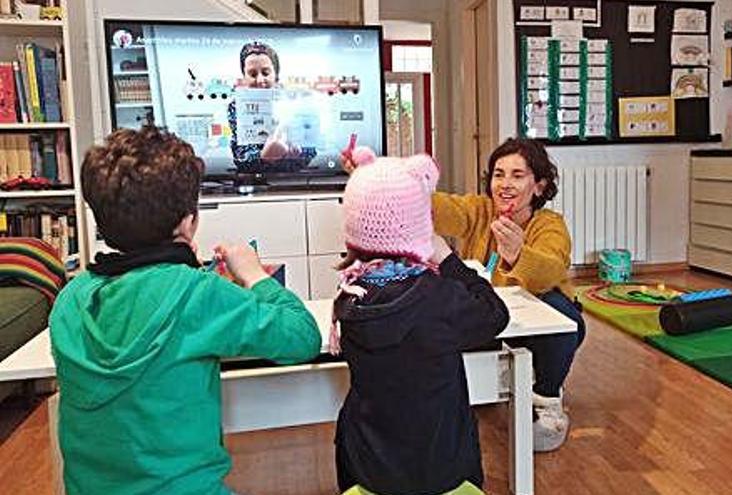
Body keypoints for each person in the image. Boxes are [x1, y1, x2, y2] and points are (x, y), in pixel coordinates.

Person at [50, 126, 322, 494]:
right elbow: (301, 337)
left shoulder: (71, 298)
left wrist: (179, 269)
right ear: (188, 221)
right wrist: (254, 274)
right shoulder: (198, 293)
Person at [333, 150, 510, 494]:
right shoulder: (440, 298)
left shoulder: (348, 295)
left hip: (369, 471)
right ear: (421, 228)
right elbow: (494, 313)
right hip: (440, 473)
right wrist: (446, 258)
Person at [432, 137, 586, 452]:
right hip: (485, 317)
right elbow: (442, 208)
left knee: (567, 318)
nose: (505, 183)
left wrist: (518, 254)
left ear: (539, 186)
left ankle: (546, 400)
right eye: (499, 174)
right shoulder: (479, 210)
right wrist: (383, 178)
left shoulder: (549, 224)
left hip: (528, 324)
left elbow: (550, 271)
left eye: (518, 175)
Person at [228, 41, 299, 170]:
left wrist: (299, 154)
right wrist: (264, 157)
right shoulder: (236, 106)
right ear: (244, 77)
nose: (260, 80)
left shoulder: (294, 102)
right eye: (253, 74)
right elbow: (240, 156)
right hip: (252, 180)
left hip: (294, 178)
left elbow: (312, 148)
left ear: (276, 74)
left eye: (266, 73)